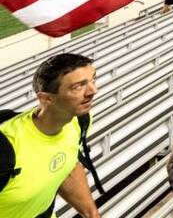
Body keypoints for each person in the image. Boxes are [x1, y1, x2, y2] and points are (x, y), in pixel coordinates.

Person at [0, 53, 101, 218]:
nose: (93, 91)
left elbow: (67, 163)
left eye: (93, 80)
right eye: (78, 86)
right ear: (46, 99)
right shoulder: (7, 149)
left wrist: (92, 213)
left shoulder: (79, 121)